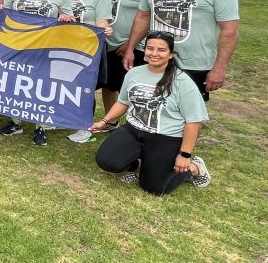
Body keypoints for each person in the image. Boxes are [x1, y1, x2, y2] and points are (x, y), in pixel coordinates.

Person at [90, 31, 212, 195]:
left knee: (154, 188)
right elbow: (122, 102)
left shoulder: (182, 82)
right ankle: (140, 165)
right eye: (150, 48)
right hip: (133, 130)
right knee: (107, 161)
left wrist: (185, 154)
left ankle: (193, 168)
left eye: (161, 50)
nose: (154, 54)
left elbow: (193, 122)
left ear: (171, 54)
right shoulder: (134, 73)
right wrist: (104, 121)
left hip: (166, 137)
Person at [124, 0, 239, 102]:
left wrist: (219, 68)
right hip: (155, 59)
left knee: (187, 114)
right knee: (150, 104)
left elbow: (229, 31)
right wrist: (130, 49)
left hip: (195, 63)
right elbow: (143, 17)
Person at [0, 0, 75, 146]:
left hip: (45, 48)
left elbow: (71, 19)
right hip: (17, 45)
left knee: (40, 87)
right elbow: (5, 17)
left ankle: (40, 126)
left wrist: (66, 18)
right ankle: (15, 122)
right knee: (15, 84)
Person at [62, 0, 113, 144]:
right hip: (65, 44)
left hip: (88, 47)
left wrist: (104, 29)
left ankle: (84, 126)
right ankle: (66, 118)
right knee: (64, 84)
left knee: (85, 87)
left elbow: (102, 21)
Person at [101, 0, 151, 124]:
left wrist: (131, 43)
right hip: (106, 43)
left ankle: (136, 123)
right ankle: (111, 122)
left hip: (131, 44)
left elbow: (149, 14)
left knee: (134, 87)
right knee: (109, 85)